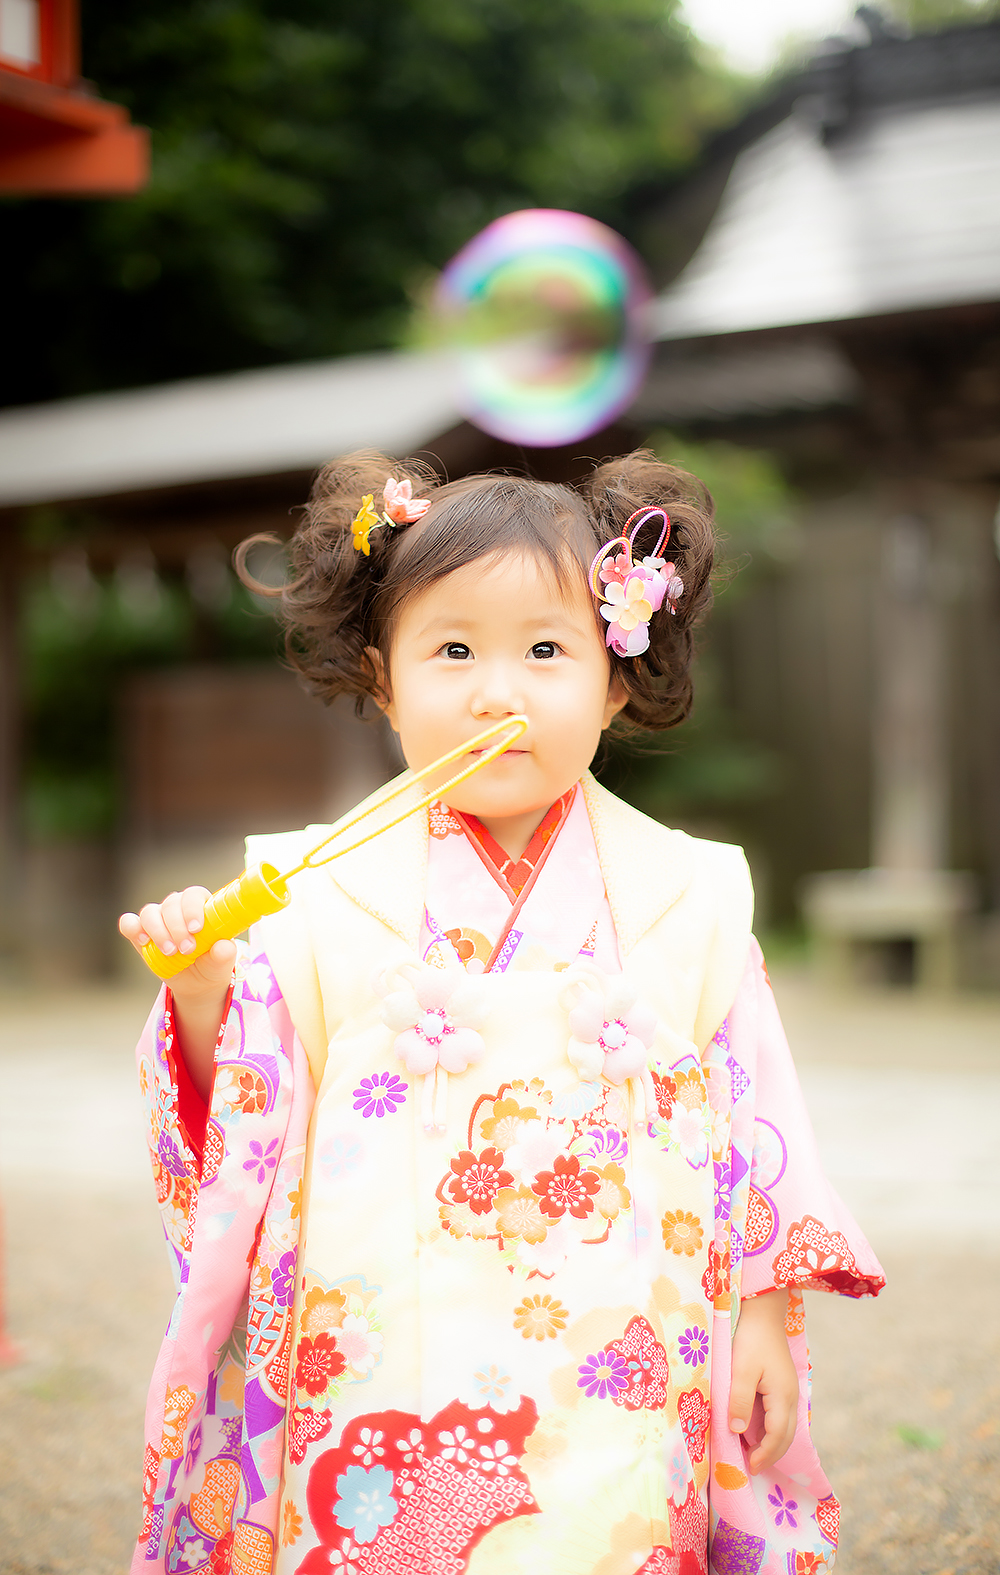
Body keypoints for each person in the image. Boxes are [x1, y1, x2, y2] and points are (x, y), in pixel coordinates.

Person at [120, 449, 884, 1575]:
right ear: (384, 679)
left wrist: (763, 1320)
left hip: (620, 1343)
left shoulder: (690, 893)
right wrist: (197, 989)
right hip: (376, 1349)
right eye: (453, 649)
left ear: (615, 679)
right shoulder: (309, 895)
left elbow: (754, 1112)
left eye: (544, 649)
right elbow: (246, 1124)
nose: (498, 691)